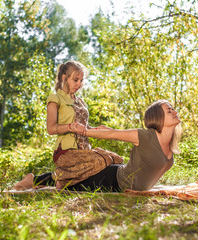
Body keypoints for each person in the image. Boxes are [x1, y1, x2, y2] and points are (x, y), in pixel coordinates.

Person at [14, 99, 182, 192]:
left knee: (72, 179)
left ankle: (37, 180)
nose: (175, 112)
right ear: (158, 118)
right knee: (72, 179)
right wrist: (85, 132)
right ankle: (34, 179)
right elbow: (113, 134)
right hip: (112, 180)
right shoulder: (146, 136)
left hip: (121, 176)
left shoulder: (170, 146)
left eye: (173, 109)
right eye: (169, 111)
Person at [14, 60, 123, 191]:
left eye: (81, 80)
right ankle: (39, 180)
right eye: (76, 80)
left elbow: (84, 127)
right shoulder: (55, 99)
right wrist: (70, 127)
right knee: (101, 160)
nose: (79, 84)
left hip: (83, 151)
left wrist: (97, 129)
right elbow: (51, 128)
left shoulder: (80, 101)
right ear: (64, 78)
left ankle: (59, 181)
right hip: (66, 152)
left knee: (117, 159)